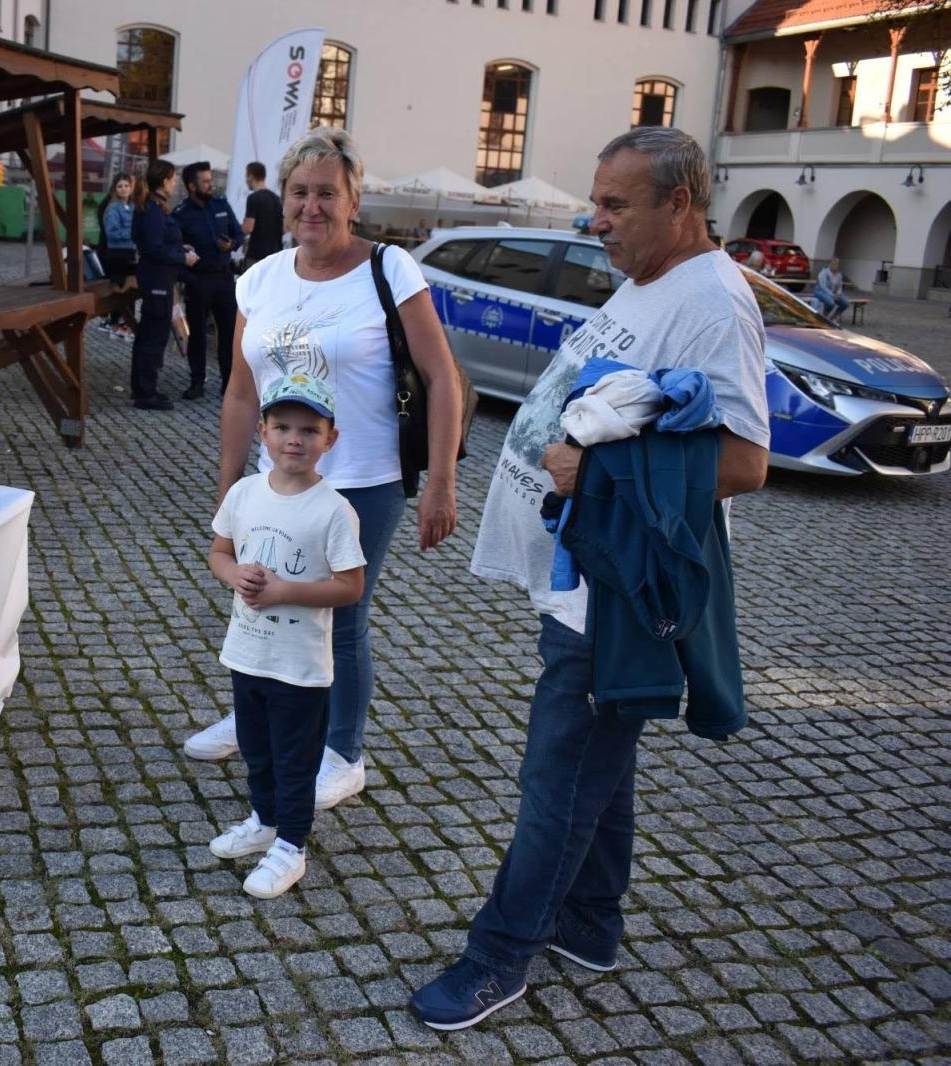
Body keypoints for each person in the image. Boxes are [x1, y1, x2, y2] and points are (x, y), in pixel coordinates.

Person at [408, 127, 770, 1031]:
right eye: (595, 199)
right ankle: (592, 924)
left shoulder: (716, 302)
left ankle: (499, 958)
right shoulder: (651, 276)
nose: (593, 219)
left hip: (616, 587)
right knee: (598, 758)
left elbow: (746, 459)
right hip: (586, 573)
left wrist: (596, 474)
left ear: (680, 205)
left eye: (615, 206)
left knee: (560, 773)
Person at [185, 126, 464, 813]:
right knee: (255, 596)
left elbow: (442, 376)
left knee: (340, 615)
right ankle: (255, 726)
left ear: (354, 199)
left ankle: (343, 751)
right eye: (300, 193)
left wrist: (441, 480)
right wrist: (230, 485)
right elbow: (242, 392)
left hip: (363, 479)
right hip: (274, 479)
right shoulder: (261, 279)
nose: (313, 207)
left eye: (327, 194)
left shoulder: (390, 269)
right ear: (284, 199)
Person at [208, 372, 366, 899]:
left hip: (300, 666)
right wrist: (234, 577)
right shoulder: (245, 493)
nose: (294, 439)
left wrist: (284, 592)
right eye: (282, 427)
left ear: (330, 439)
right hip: (247, 653)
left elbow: (350, 587)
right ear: (262, 431)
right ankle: (266, 820)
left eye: (308, 430)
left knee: (295, 759)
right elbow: (219, 552)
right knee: (256, 749)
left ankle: (291, 846)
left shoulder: (334, 511)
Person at [172, 161, 246, 399]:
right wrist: (187, 278)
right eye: (205, 181)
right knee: (198, 336)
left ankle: (228, 383)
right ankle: (197, 382)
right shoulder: (181, 215)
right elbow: (174, 250)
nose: (210, 184)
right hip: (198, 281)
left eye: (210, 179)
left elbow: (239, 233)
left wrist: (232, 244)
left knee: (229, 334)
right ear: (192, 186)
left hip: (224, 279)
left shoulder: (220, 204)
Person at [131, 160, 200, 411]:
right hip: (156, 280)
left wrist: (180, 248)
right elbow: (153, 247)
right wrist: (183, 257)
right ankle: (145, 393)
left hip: (160, 278)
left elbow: (159, 242)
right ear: (163, 182)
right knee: (153, 337)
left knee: (151, 335)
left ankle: (145, 388)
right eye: (172, 179)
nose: (174, 184)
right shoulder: (151, 210)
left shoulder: (156, 208)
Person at [96, 172, 139, 337]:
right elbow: (112, 232)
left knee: (131, 288)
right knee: (120, 288)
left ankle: (124, 322)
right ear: (115, 188)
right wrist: (132, 233)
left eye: (126, 186)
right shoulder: (112, 208)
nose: (123, 189)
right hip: (117, 253)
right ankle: (117, 322)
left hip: (130, 252)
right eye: (120, 186)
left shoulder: (133, 206)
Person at [241, 161, 284, 271]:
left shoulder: (253, 198)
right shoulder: (277, 199)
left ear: (250, 176)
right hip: (276, 258)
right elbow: (284, 228)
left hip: (256, 258)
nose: (246, 180)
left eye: (246, 176)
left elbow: (248, 228)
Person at [814, 257, 849, 325]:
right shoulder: (823, 273)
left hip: (833, 293)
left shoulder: (839, 275)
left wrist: (838, 294)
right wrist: (833, 295)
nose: (835, 266)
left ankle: (832, 318)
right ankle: (825, 317)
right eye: (833, 264)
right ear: (829, 264)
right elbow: (823, 287)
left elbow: (839, 286)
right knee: (830, 303)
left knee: (845, 303)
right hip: (821, 292)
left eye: (836, 264)